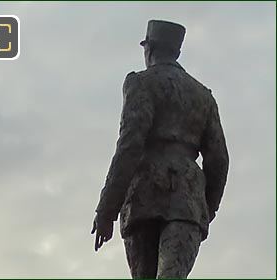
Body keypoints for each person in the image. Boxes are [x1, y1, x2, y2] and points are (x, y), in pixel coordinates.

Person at [91, 20, 229, 278]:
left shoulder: (140, 83)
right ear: (176, 52)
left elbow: (129, 146)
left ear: (149, 49)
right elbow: (219, 160)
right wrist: (204, 208)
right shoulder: (203, 96)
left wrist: (106, 210)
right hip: (188, 200)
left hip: (144, 197)